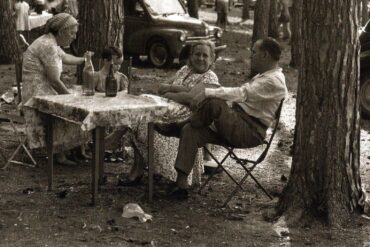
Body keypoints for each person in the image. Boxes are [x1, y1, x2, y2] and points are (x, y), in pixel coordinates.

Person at [155, 37, 288, 199]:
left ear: (265, 55)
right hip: (236, 124)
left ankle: (178, 125)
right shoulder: (265, 76)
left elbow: (241, 94)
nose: (251, 56)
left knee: (214, 102)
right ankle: (181, 186)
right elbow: (239, 96)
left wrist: (207, 92)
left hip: (249, 131)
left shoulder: (273, 81)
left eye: (254, 52)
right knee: (190, 130)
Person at [109, 41, 220, 186]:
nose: (200, 58)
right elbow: (161, 88)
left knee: (143, 121)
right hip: (167, 110)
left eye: (205, 56)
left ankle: (132, 164)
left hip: (186, 118)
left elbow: (192, 99)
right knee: (139, 113)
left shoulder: (210, 77)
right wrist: (180, 90)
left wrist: (170, 92)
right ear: (191, 56)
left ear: (212, 59)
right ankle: (135, 167)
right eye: (197, 54)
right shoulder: (185, 70)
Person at [22, 13, 89, 165]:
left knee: (77, 100)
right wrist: (70, 99)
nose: (73, 37)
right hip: (36, 95)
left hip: (43, 90)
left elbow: (65, 58)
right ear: (61, 31)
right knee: (66, 109)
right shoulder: (48, 45)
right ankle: (60, 154)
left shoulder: (52, 43)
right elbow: (54, 80)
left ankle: (75, 150)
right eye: (72, 33)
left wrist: (85, 59)